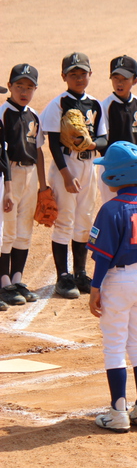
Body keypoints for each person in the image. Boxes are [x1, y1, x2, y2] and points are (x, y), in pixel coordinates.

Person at [88, 142, 137, 432]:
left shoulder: (110, 210)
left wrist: (96, 288)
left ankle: (118, 412)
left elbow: (103, 256)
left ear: (117, 174)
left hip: (118, 281)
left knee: (115, 347)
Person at [40, 52, 108, 299]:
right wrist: (66, 175)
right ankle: (63, 277)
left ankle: (80, 273)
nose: (78, 78)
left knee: (84, 219)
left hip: (89, 166)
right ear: (64, 77)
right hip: (66, 166)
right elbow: (54, 144)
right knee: (65, 219)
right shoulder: (58, 104)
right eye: (73, 74)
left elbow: (103, 139)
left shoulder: (95, 104)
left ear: (90, 75)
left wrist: (89, 145)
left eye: (83, 74)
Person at [0, 64, 45, 308]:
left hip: (29, 174)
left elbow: (38, 151)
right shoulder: (3, 113)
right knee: (7, 229)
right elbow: (2, 153)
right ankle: (4, 281)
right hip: (9, 175)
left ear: (35, 89)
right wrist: (7, 186)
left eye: (29, 87)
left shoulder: (34, 115)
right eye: (19, 86)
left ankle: (17, 279)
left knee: (24, 228)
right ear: (10, 87)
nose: (24, 91)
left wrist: (44, 185)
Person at [97, 56, 137, 204]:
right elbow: (104, 143)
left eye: (125, 79)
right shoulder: (105, 106)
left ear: (135, 80)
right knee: (114, 209)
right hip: (114, 169)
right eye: (115, 78)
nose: (119, 83)